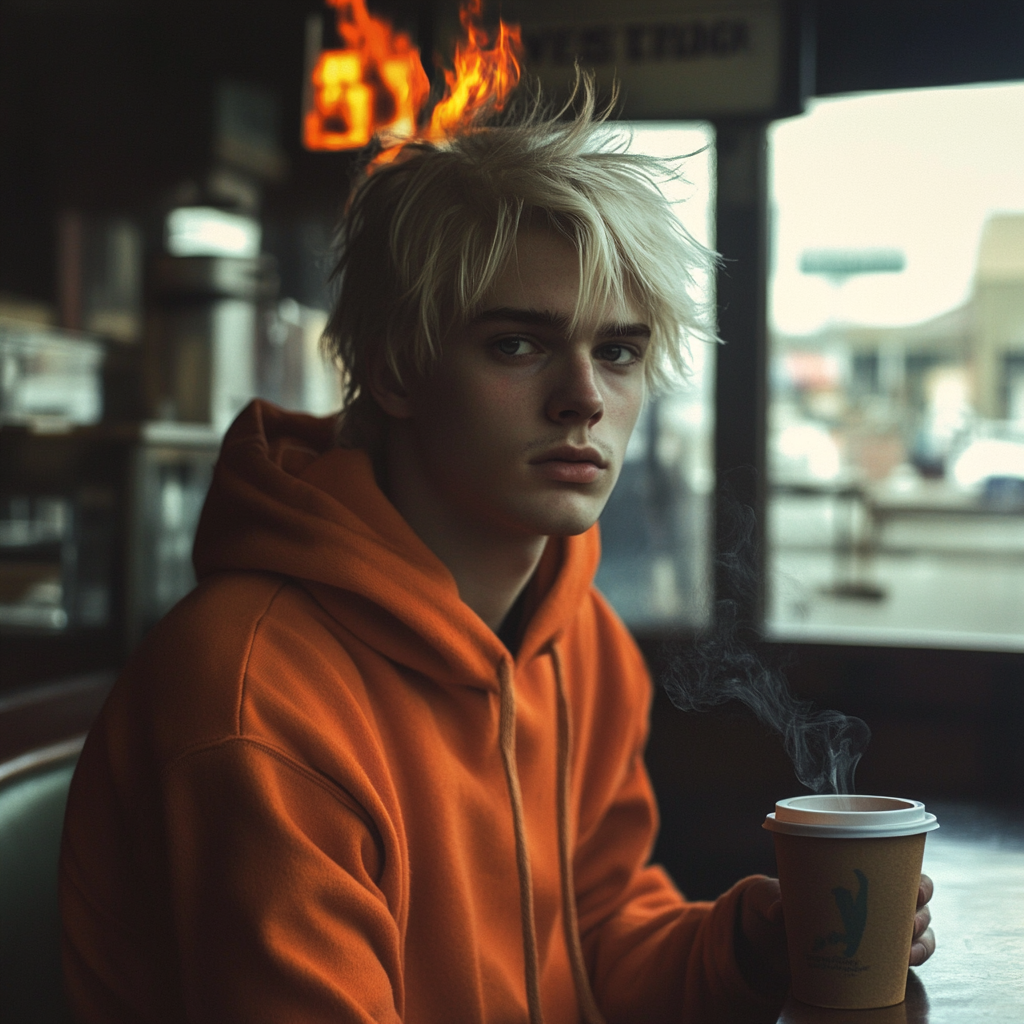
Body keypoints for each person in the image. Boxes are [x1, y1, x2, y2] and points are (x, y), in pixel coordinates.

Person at [59, 80, 933, 1023]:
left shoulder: (581, 640)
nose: (584, 398)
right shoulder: (252, 690)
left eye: (621, 351)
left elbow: (595, 940)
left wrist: (746, 946)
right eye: (518, 345)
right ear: (394, 367)